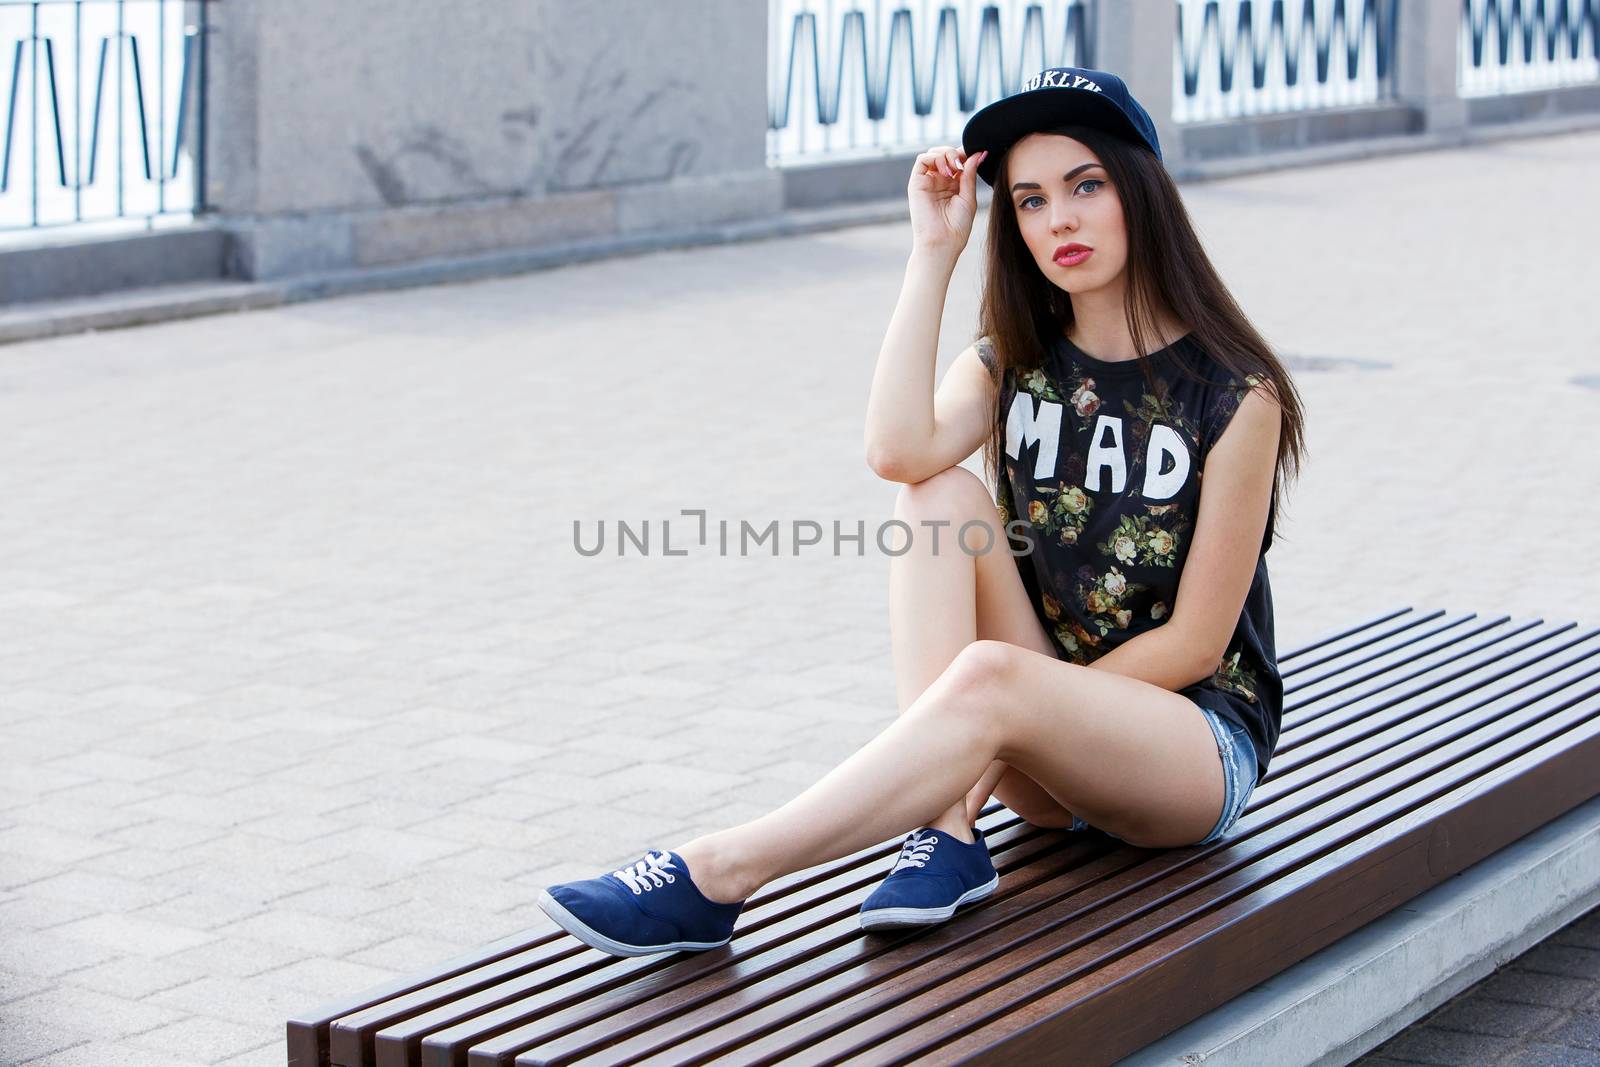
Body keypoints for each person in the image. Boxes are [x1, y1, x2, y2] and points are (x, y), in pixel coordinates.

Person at [537, 65, 1307, 958]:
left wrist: (1015, 708)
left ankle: (720, 871)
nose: (1057, 218)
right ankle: (946, 829)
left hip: (1188, 747)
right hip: (1036, 749)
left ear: (1142, 191)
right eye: (1028, 199)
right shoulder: (1014, 359)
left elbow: (1195, 646)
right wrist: (932, 251)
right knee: (936, 495)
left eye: (1085, 186)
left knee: (989, 674)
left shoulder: (1236, 391)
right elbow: (896, 450)